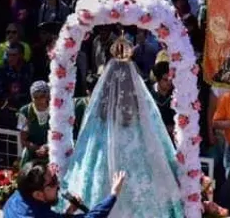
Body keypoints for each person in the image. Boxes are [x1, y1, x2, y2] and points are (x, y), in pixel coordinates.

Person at [62, 37, 186, 217]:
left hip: (106, 140)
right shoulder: (135, 92)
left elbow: (99, 117)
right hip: (133, 140)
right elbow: (145, 117)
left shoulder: (106, 96)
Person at [2, 161, 126, 218]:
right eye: (53, 182)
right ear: (38, 194)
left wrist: (69, 212)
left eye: (55, 177)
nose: (58, 184)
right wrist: (113, 194)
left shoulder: (15, 198)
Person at [18, 81, 52, 166]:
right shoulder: (24, 112)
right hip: (32, 153)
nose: (38, 100)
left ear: (47, 96)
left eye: (42, 96)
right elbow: (23, 140)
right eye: (35, 97)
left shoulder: (55, 111)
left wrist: (47, 147)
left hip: (53, 152)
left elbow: (60, 134)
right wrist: (37, 148)